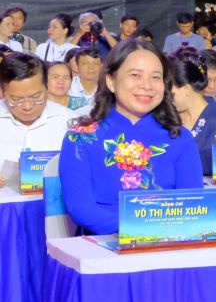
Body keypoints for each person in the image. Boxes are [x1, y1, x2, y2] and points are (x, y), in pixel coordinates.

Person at [59, 40, 202, 234]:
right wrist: (138, 231)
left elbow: (192, 203)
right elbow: (81, 209)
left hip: (169, 239)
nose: (147, 86)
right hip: (105, 241)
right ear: (111, 81)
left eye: (156, 77)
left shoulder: (179, 137)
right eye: (135, 75)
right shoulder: (81, 138)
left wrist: (158, 234)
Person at [0, 54, 76, 185]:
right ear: (3, 92)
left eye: (35, 97)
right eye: (16, 99)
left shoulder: (69, 122)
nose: (27, 106)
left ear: (46, 87)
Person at [168, 49, 216, 176]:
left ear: (186, 88)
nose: (166, 96)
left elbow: (213, 166)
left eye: (169, 91)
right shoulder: (165, 116)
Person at [67, 46, 102, 110]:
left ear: (101, 66)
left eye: (95, 63)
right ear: (77, 66)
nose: (91, 67)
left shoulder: (109, 88)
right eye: (85, 63)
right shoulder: (67, 86)